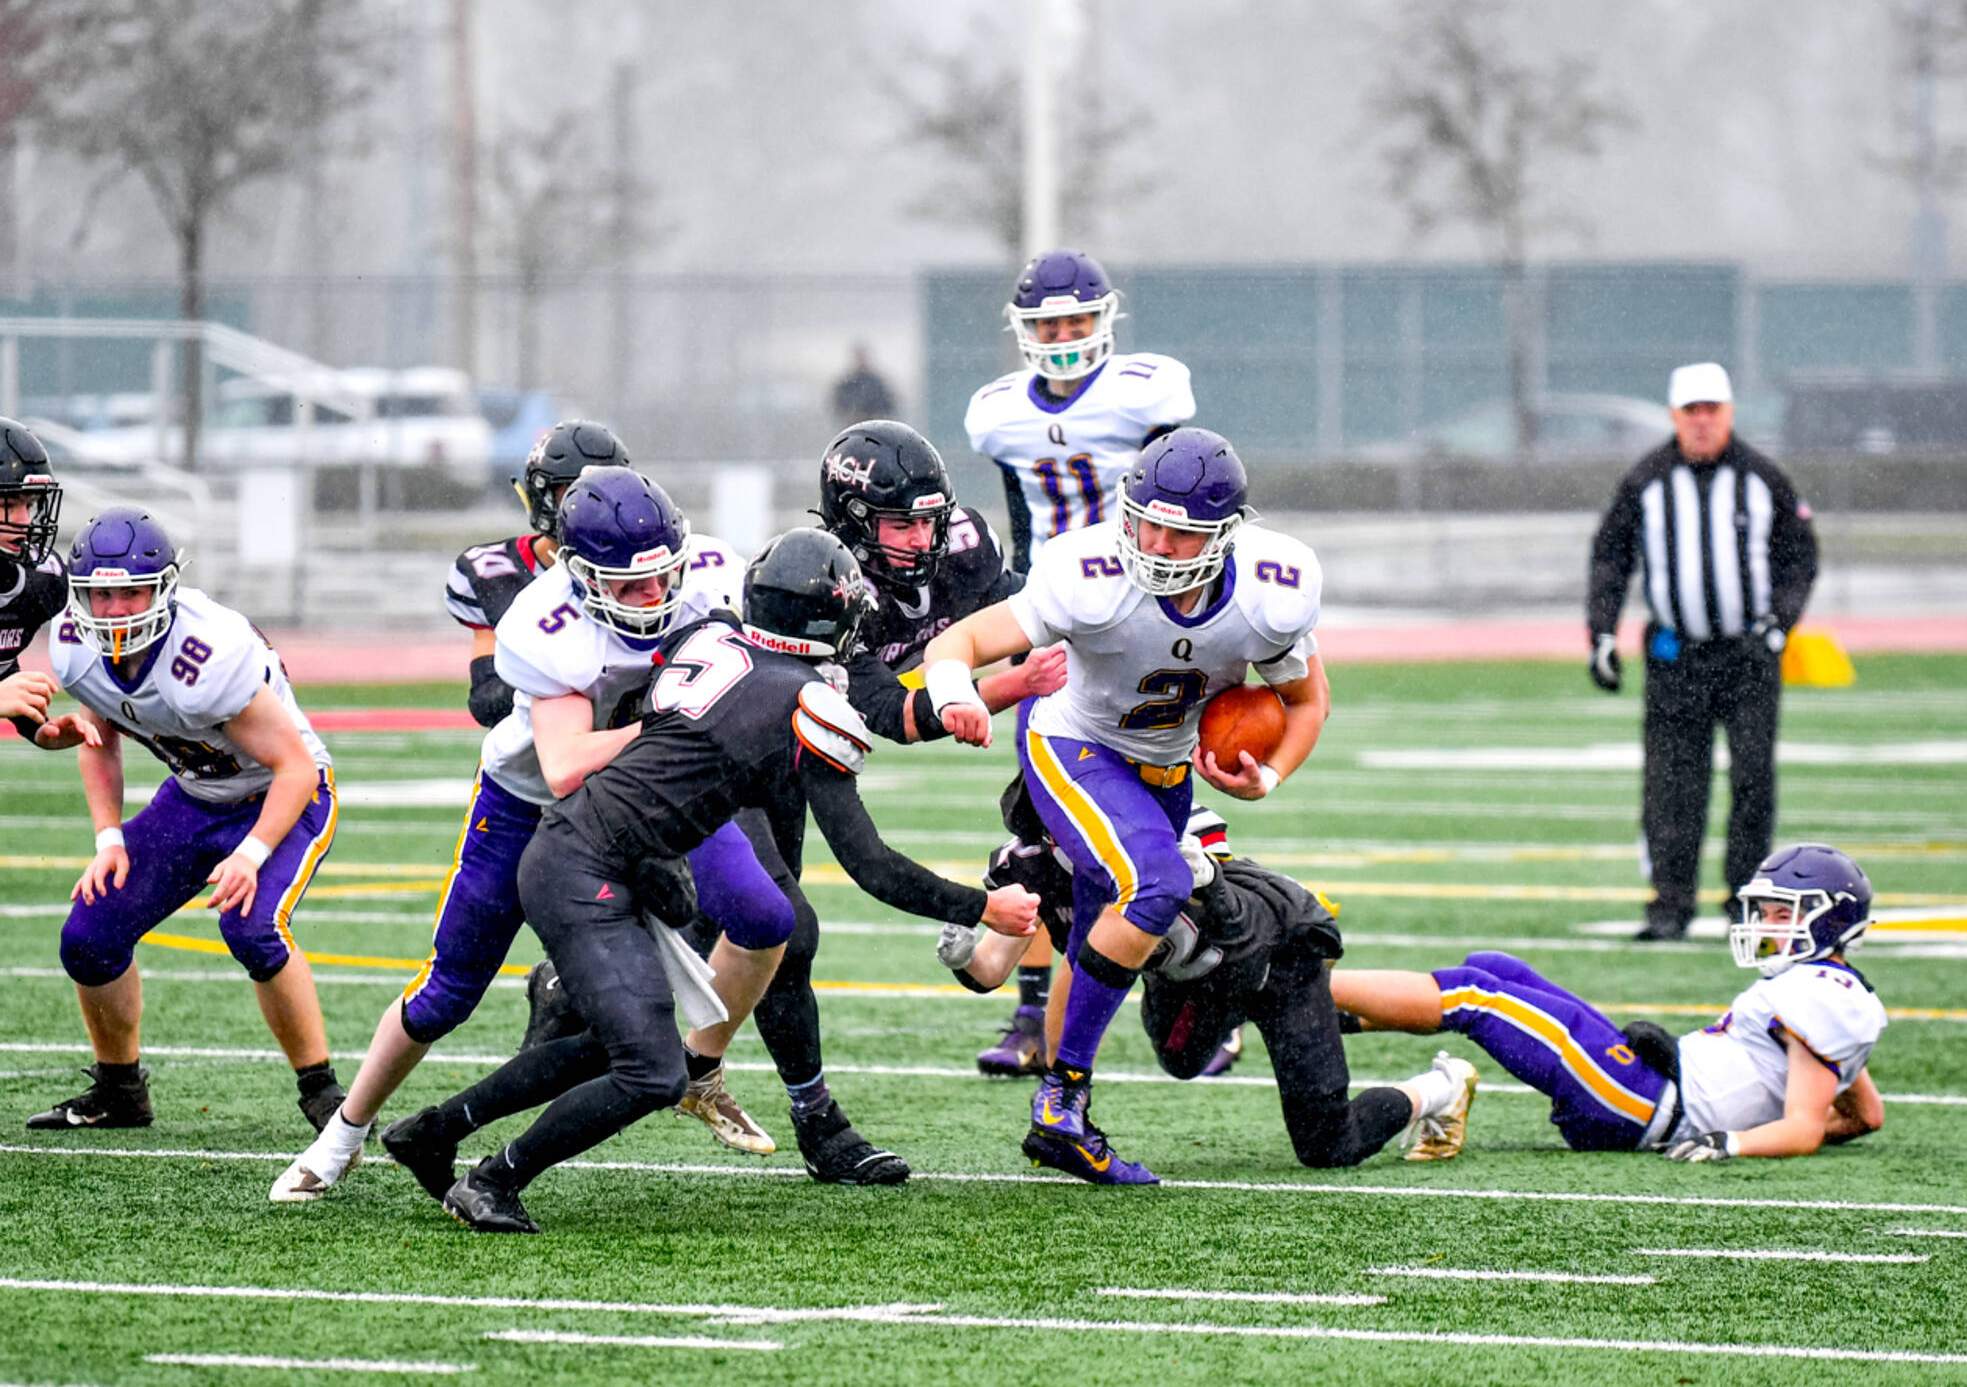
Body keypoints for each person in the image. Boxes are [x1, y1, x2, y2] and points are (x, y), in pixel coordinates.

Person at [385, 529, 1040, 1232]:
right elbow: (870, 864)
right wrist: (982, 907)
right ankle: (491, 1179)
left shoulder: (714, 638)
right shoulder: (808, 703)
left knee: (626, 1046)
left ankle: (433, 1131)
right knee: (655, 1073)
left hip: (605, 848)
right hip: (590, 866)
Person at [270, 465, 752, 1200]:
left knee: (755, 917)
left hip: (647, 804)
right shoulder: (543, 620)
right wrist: (681, 721)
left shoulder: (711, 579)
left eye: (663, 579)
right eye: (629, 585)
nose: (654, 597)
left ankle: (700, 1071)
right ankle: (343, 1132)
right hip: (531, 803)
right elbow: (564, 765)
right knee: (448, 990)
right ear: (580, 573)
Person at [923, 428, 1330, 1184]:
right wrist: (953, 693)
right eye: (1148, 521)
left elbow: (1306, 698)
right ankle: (1061, 1099)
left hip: (1166, 771)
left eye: (1183, 532)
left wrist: (1267, 775)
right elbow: (965, 639)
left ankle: (1060, 1113)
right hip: (1074, 744)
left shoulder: (1273, 589)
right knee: (1157, 885)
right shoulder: (1090, 571)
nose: (1159, 542)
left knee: (1092, 925)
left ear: (1226, 536)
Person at [31, 507, 347, 1133]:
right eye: (101, 594)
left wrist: (252, 854)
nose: (117, 609)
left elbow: (295, 770)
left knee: (251, 927)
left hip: (282, 795)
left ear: (165, 588)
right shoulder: (74, 645)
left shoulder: (207, 654)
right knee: (89, 938)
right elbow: (100, 735)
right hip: (196, 796)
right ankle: (120, 1092)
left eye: (132, 592)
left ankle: (323, 1094)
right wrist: (108, 837)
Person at [944, 829, 1473, 1168]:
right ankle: (1267, 1022)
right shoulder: (1029, 867)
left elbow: (1244, 900)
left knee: (1326, 1147)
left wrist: (1208, 882)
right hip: (1194, 984)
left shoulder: (1155, 818)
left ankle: (1440, 1089)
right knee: (1180, 1060)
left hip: (1273, 964)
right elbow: (997, 968)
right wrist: (963, 956)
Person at [1329, 843, 1886, 1163]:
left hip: (1648, 1106)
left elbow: (1805, 1126)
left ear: (1832, 917)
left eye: (1781, 913)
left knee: (1474, 995)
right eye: (1764, 911)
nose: (1766, 925)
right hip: (1656, 1086)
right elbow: (1864, 1114)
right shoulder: (1830, 990)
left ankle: (1307, 987)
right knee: (1494, 967)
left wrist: (1731, 1140)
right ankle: (1336, 1021)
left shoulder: (1820, 995)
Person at [813, 418, 1072, 1077]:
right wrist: (1010, 684)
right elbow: (889, 714)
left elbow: (1016, 612)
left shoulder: (961, 541)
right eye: (901, 525)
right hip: (776, 743)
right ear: (852, 518)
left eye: (928, 522)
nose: (921, 540)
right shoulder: (824, 583)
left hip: (873, 714)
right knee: (775, 917)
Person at [1587, 362, 1819, 942]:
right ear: (1674, 416)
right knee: (1671, 784)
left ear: (1730, 413)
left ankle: (1746, 899)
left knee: (1751, 779)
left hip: (1747, 656)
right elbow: (1611, 558)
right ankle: (1670, 904)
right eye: (1691, 411)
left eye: (1712, 409)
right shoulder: (1646, 480)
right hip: (1675, 657)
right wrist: (1603, 634)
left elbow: (1800, 556)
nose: (1702, 422)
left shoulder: (1764, 477)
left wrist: (1779, 625)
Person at [965, 249, 1195, 574]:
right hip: (1048, 579)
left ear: (1100, 319)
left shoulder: (1141, 391)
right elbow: (1022, 523)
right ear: (1028, 327)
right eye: (1050, 325)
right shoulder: (1001, 412)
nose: (1063, 337)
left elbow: (1174, 495)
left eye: (1076, 322)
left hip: (1132, 574)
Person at [446, 419, 632, 729]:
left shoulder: (650, 569)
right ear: (542, 495)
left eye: (603, 495)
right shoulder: (494, 572)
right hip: (525, 764)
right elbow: (489, 702)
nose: (588, 507)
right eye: (574, 492)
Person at [0, 418, 91, 749]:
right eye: (8, 505)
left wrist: (38, 728)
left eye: (30, 503)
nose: (24, 521)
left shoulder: (39, 581)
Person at [829, 343, 897, 426]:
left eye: (862, 356)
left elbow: (888, 406)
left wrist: (876, 417)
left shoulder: (878, 384)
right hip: (852, 427)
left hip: (874, 427)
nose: (861, 360)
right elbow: (838, 407)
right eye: (859, 357)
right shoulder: (846, 385)